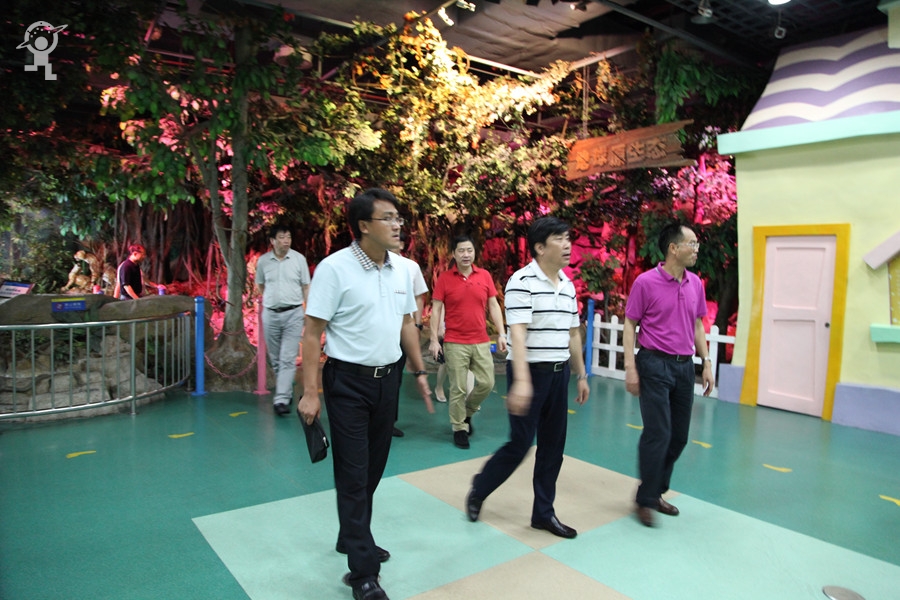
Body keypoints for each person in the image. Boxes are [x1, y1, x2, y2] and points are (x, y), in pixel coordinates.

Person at [298, 188, 433, 600]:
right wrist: (310, 392)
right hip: (348, 384)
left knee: (372, 469)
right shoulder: (334, 269)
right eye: (387, 218)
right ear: (363, 226)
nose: (397, 225)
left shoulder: (402, 269)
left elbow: (406, 324)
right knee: (353, 474)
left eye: (398, 218)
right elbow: (312, 333)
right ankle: (364, 574)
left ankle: (351, 535)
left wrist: (419, 372)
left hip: (388, 381)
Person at [465, 216, 590, 539]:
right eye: (559, 239)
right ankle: (479, 489)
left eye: (568, 238)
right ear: (540, 247)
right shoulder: (521, 281)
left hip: (559, 375)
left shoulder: (568, 285)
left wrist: (581, 374)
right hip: (530, 372)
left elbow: (572, 334)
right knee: (520, 444)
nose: (567, 245)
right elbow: (517, 334)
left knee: (553, 447)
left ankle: (543, 514)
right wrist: (520, 380)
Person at [623, 222, 715, 528]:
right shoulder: (645, 283)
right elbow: (630, 324)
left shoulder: (695, 283)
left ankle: (653, 491)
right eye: (692, 244)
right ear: (673, 248)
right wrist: (630, 367)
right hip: (654, 364)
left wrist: (706, 362)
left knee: (678, 437)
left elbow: (698, 325)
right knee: (658, 433)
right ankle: (646, 499)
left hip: (684, 367)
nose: (696, 249)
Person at [429, 235, 507, 449]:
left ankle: (467, 413)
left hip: (481, 341)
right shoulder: (445, 278)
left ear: (474, 253)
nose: (466, 254)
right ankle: (459, 428)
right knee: (458, 388)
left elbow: (493, 305)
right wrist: (434, 339)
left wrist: (501, 333)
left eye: (469, 250)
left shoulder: (484, 276)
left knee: (487, 383)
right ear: (454, 254)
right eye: (461, 251)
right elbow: (436, 310)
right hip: (455, 342)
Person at [255, 224, 311, 416]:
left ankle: (281, 399)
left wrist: (308, 310)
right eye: (281, 237)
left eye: (288, 237)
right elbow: (260, 285)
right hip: (270, 314)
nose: (286, 241)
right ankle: (285, 390)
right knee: (276, 359)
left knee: (287, 358)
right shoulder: (263, 261)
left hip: (293, 313)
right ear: (272, 241)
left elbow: (306, 286)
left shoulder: (299, 259)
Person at [388, 247, 429, 437]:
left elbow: (419, 297)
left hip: (404, 328)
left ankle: (389, 421)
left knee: (395, 376)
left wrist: (418, 325)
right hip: (381, 332)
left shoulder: (410, 267)